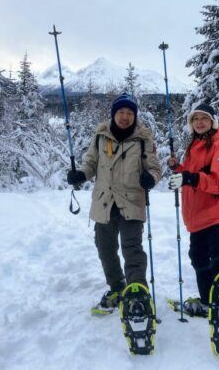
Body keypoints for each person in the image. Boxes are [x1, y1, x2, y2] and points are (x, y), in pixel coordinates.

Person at [67, 92, 162, 314]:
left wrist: (151, 178)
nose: (125, 116)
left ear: (134, 116)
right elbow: (90, 163)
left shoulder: (143, 139)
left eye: (129, 113)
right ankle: (118, 288)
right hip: (104, 203)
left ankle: (137, 291)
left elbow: (155, 168)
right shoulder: (101, 136)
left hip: (131, 202)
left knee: (132, 249)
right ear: (113, 114)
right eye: (121, 112)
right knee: (105, 249)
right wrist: (81, 174)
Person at [167, 103, 219, 317]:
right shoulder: (195, 145)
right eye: (195, 119)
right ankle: (209, 302)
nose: (199, 122)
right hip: (198, 216)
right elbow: (194, 175)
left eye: (204, 118)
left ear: (212, 122)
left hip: (218, 213)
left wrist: (188, 177)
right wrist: (179, 170)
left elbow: (218, 182)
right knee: (198, 257)